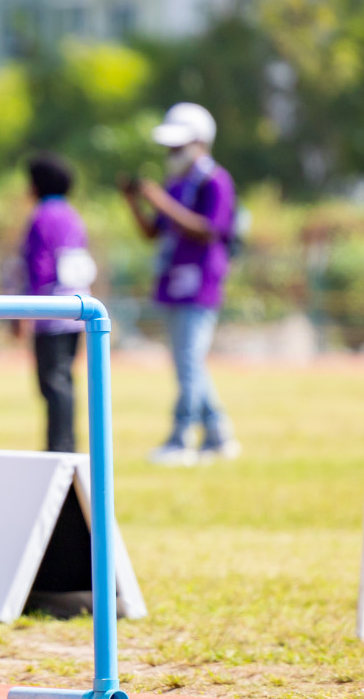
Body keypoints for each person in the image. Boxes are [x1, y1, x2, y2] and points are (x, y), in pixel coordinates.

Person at [120, 102, 241, 466]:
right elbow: (152, 232)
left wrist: (160, 200)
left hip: (201, 282)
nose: (172, 153)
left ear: (200, 142)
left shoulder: (215, 180)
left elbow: (210, 230)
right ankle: (219, 434)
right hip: (173, 281)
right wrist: (135, 201)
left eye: (178, 145)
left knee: (189, 362)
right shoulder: (176, 183)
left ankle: (181, 438)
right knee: (188, 363)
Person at [17, 154, 96, 454]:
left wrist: (25, 312)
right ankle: (65, 443)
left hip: (50, 311)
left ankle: (60, 447)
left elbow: (37, 267)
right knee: (64, 377)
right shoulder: (73, 215)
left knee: (52, 381)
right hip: (77, 306)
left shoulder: (41, 217)